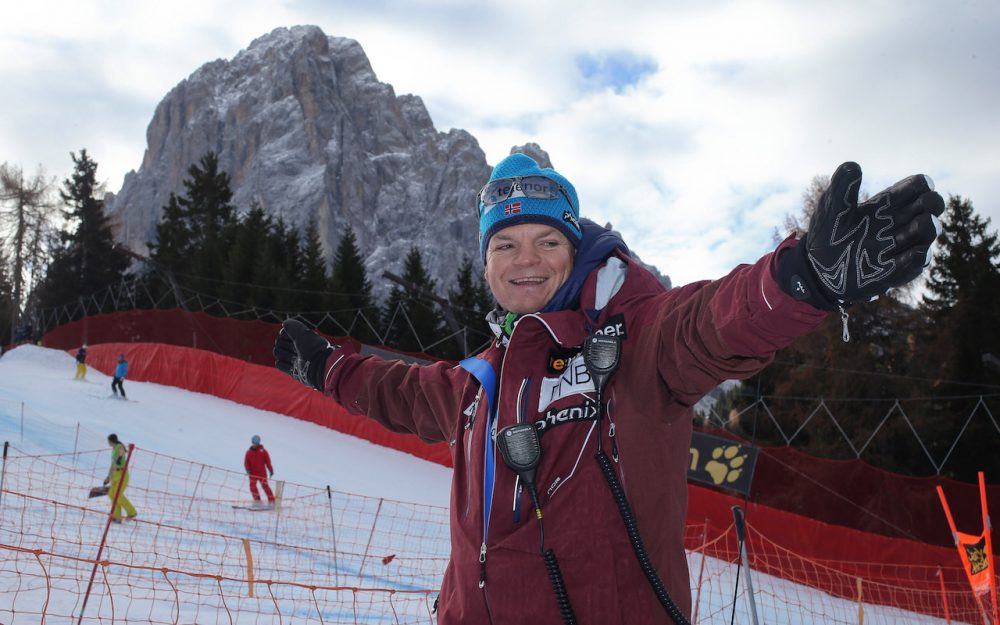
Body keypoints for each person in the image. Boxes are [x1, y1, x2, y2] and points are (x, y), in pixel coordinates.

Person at [273, 153, 943, 625]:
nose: (525, 260)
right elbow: (402, 393)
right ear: (485, 262)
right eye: (504, 245)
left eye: (544, 239)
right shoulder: (482, 376)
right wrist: (328, 368)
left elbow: (706, 325)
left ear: (575, 246)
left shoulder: (633, 336)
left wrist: (799, 280)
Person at [103, 433, 137, 522]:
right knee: (111, 494)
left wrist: (120, 457)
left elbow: (121, 450)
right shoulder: (114, 449)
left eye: (108, 441)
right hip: (116, 475)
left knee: (118, 494)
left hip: (122, 474)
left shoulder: (118, 446)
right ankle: (117, 516)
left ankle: (132, 512)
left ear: (110, 441)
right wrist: (108, 477)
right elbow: (113, 465)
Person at [244, 434, 275, 505]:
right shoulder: (249, 452)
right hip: (253, 473)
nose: (255, 444)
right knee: (252, 486)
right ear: (252, 442)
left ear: (259, 443)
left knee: (265, 486)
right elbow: (246, 463)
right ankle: (257, 500)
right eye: (254, 442)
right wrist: (248, 470)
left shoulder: (263, 451)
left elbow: (268, 462)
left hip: (262, 473)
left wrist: (271, 470)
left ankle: (272, 501)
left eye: (257, 443)